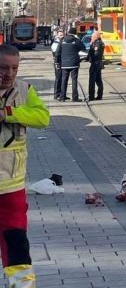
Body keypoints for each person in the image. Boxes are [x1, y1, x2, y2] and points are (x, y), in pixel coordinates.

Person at [0, 44, 50, 287]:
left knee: (16, 241)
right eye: (3, 68)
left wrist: (9, 112)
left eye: (14, 68)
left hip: (12, 184)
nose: (9, 73)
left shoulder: (24, 90)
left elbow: (42, 118)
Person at [55, 28, 86, 102]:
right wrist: (76, 49)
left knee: (64, 80)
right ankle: (75, 97)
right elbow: (83, 48)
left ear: (68, 32)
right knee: (74, 80)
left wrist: (57, 62)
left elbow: (57, 52)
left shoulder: (62, 40)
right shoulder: (76, 40)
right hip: (74, 63)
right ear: (75, 33)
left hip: (64, 64)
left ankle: (62, 97)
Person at [87, 31, 104, 101]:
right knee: (98, 80)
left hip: (95, 63)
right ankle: (99, 95)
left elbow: (95, 54)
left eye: (93, 36)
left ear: (96, 37)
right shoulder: (100, 42)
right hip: (98, 63)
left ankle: (91, 96)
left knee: (92, 80)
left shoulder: (97, 43)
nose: (91, 38)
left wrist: (89, 57)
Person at [50, 29, 64, 100]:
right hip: (57, 63)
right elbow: (56, 54)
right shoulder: (55, 43)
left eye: (62, 35)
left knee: (62, 79)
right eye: (60, 35)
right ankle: (56, 94)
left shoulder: (62, 42)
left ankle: (61, 94)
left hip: (62, 62)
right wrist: (56, 63)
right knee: (58, 78)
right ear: (57, 36)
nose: (62, 36)